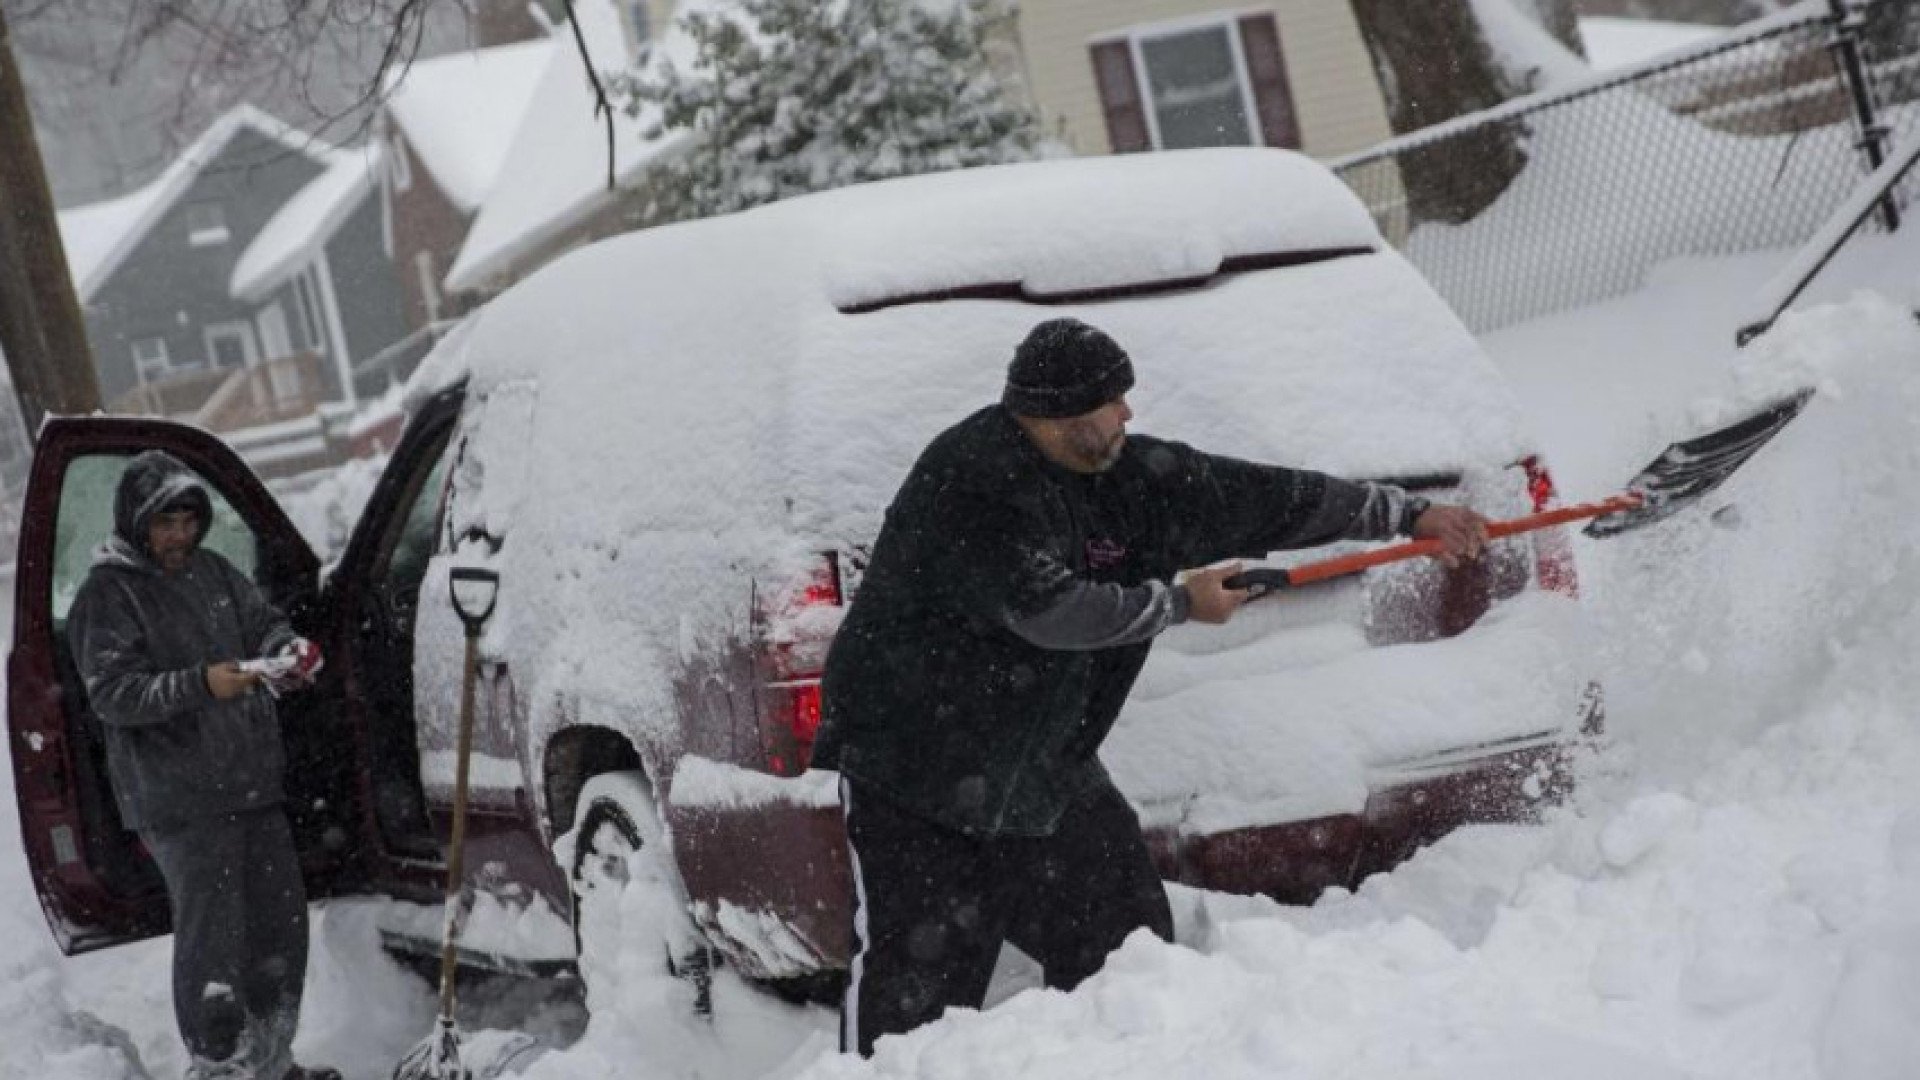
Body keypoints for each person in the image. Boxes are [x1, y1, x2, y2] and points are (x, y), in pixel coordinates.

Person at [813, 317, 1490, 1056]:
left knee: (1128, 955)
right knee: (912, 1017)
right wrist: (1180, 603)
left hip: (1046, 768)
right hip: (919, 775)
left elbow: (1266, 496)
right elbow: (1051, 610)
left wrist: (1407, 515)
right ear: (1064, 416)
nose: (1129, 414)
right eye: (1113, 401)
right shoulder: (973, 482)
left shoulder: (1131, 477)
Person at [67, 451, 336, 1080]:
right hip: (179, 801)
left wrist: (285, 650)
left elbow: (263, 624)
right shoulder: (107, 596)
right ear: (137, 522)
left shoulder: (214, 572)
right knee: (215, 942)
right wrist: (202, 683)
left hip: (250, 786)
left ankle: (272, 1062)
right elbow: (113, 694)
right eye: (166, 523)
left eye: (189, 521)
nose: (180, 536)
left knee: (280, 929)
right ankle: (220, 1066)